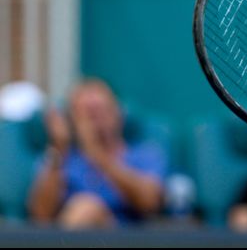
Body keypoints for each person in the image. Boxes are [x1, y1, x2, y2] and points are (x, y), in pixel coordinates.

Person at [27, 79, 168, 228]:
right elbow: (40, 216)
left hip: (127, 238)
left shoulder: (145, 154)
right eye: (88, 113)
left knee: (87, 209)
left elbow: (149, 202)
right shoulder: (60, 158)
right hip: (68, 233)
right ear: (72, 119)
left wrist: (95, 152)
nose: (98, 120)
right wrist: (59, 147)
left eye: (103, 110)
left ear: (119, 113)